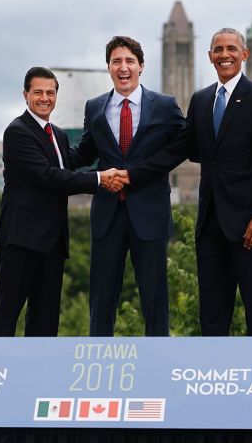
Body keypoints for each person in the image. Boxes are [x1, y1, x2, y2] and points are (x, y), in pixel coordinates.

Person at [127, 28, 252, 336]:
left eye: (231, 49)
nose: (225, 55)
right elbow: (180, 149)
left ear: (244, 54)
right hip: (210, 222)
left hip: (250, 224)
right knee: (212, 307)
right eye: (218, 50)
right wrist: (132, 173)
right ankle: (214, 373)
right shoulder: (200, 101)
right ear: (210, 56)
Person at [0, 66, 127, 337]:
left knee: (46, 318)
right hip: (20, 240)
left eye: (50, 93)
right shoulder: (17, 132)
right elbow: (50, 177)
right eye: (38, 92)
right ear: (25, 95)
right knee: (8, 313)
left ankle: (39, 375)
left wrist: (102, 124)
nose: (44, 98)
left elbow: (72, 160)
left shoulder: (58, 134)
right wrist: (100, 179)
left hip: (52, 242)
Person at [68, 36, 185, 336]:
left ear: (141, 66)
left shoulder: (164, 105)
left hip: (150, 216)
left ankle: (156, 361)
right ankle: (98, 361)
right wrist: (45, 148)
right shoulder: (95, 107)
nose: (123, 67)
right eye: (116, 61)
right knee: (102, 301)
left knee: (154, 300)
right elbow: (83, 152)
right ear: (108, 67)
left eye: (129, 61)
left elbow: (180, 147)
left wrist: (136, 174)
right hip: (107, 218)